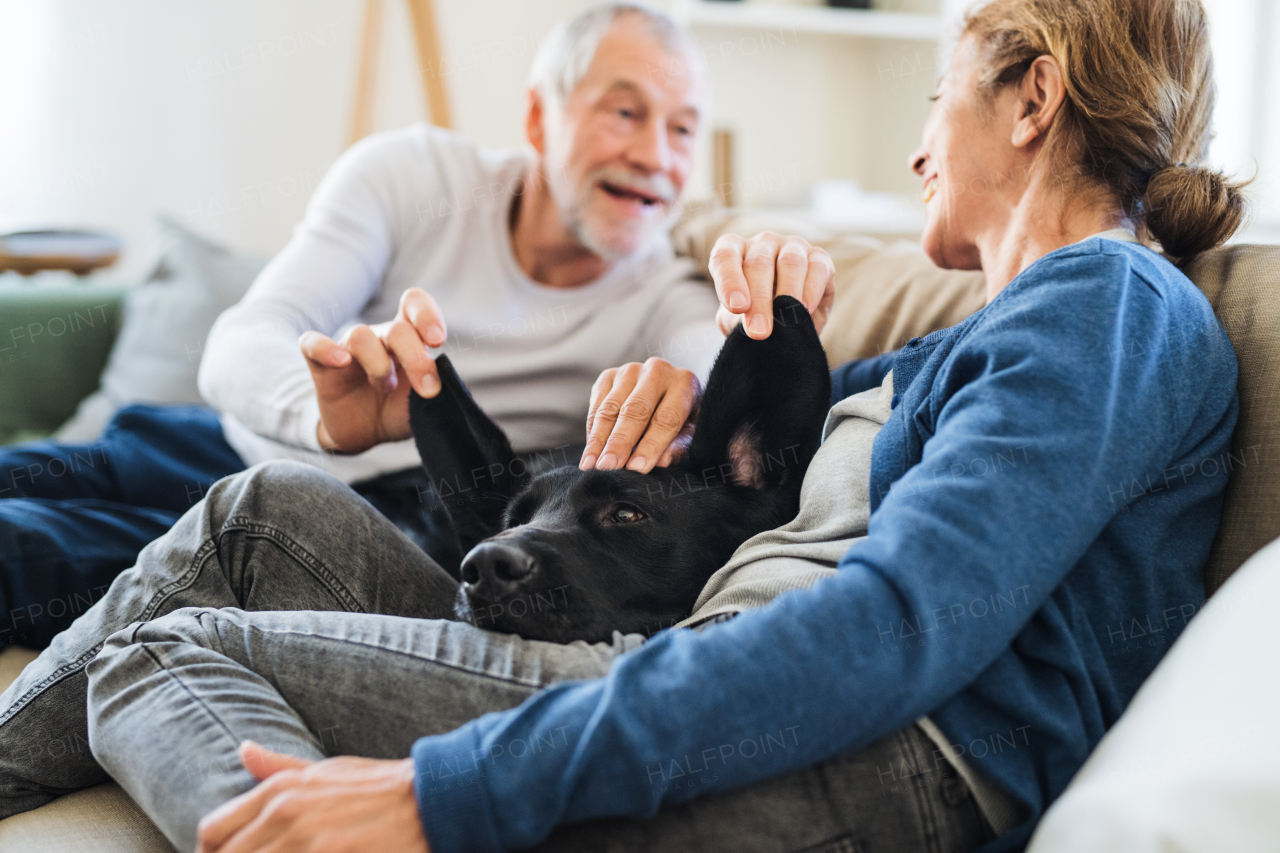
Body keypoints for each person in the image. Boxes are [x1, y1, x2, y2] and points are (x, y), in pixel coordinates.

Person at [0, 1, 1247, 852]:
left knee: (157, 658)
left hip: (877, 758)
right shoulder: (965, 341)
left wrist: (449, 793)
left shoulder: (1106, 304)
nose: (919, 148)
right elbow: (747, 464)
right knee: (256, 511)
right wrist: (768, 311)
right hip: (701, 664)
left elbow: (894, 629)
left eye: (935, 96)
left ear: (1031, 97)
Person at [0, 2, 742, 649]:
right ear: (540, 118)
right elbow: (243, 337)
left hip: (363, 520)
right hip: (208, 442)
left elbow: (720, 370)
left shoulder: (670, 300)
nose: (655, 156)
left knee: (23, 553)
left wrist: (691, 389)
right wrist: (319, 417)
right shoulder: (410, 176)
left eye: (683, 129)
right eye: (625, 112)